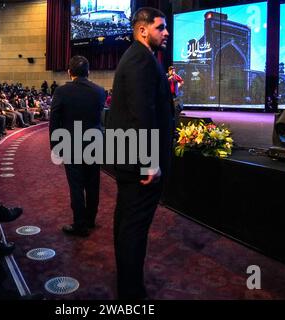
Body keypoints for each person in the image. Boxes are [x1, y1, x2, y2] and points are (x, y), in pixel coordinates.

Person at [108, 7, 174, 299]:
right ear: (143, 29)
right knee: (133, 227)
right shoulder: (141, 60)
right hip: (138, 163)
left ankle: (127, 284)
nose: (166, 33)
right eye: (161, 27)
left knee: (126, 223)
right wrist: (149, 162)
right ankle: (131, 293)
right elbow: (141, 114)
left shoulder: (138, 56)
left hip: (129, 159)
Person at [49, 56, 106, 237]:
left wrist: (55, 147)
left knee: (76, 185)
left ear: (69, 72)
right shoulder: (100, 91)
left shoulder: (61, 91)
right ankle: (90, 219)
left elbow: (54, 121)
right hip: (95, 143)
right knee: (93, 183)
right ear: (88, 72)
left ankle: (80, 224)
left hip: (71, 144)